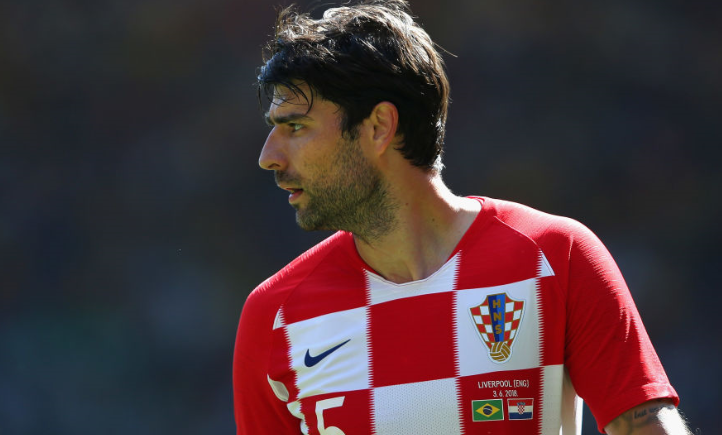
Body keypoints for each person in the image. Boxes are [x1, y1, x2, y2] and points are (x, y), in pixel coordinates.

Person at [233, 1, 692, 434]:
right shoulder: (273, 317)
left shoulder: (556, 255)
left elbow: (644, 424)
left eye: (295, 126)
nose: (268, 157)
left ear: (378, 127)